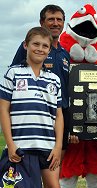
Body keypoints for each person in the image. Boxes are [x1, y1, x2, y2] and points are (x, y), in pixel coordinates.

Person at [0, 27, 63, 188]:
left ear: (49, 50)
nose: (40, 48)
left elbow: (58, 115)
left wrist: (58, 147)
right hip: (21, 147)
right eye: (36, 44)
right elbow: (4, 110)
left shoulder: (54, 80)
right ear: (26, 45)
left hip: (47, 147)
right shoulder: (13, 73)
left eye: (44, 46)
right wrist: (10, 144)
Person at [11, 4, 70, 156]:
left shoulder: (65, 54)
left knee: (56, 162)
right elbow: (16, 77)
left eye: (59, 20)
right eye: (51, 19)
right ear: (42, 22)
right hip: (35, 115)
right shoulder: (29, 48)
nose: (56, 23)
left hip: (59, 115)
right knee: (30, 165)